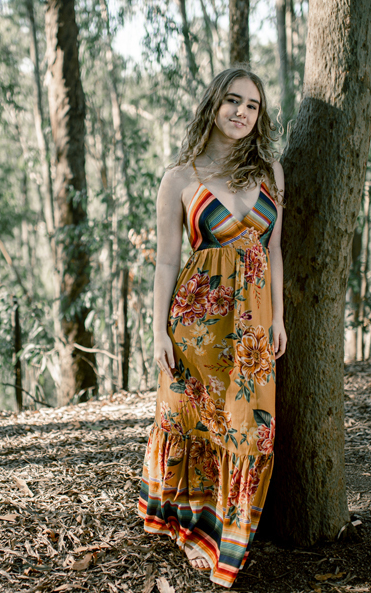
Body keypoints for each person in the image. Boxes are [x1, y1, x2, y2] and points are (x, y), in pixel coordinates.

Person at [137, 66, 286, 588]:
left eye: (253, 105)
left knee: (249, 429)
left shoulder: (270, 171)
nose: (243, 112)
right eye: (233, 101)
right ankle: (196, 527)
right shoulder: (180, 177)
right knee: (198, 421)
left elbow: (273, 249)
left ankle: (233, 537)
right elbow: (165, 263)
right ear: (213, 106)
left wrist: (280, 317)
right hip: (197, 326)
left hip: (252, 329)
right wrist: (158, 331)